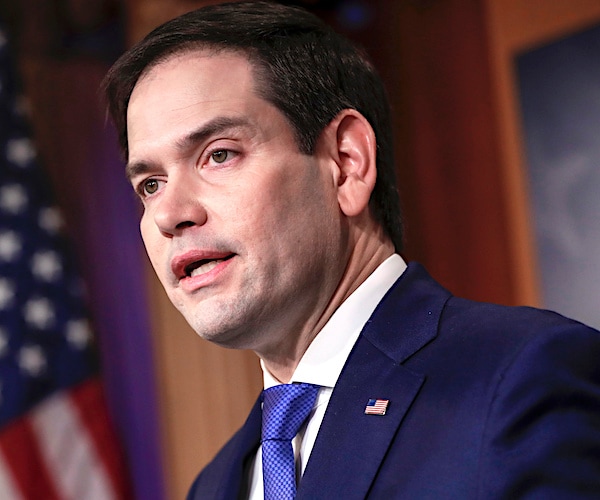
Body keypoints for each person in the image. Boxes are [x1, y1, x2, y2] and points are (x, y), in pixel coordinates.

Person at [102, 1, 600, 498]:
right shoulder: (214, 485)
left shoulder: (518, 379)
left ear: (346, 162)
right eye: (150, 184)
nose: (170, 214)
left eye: (219, 155)